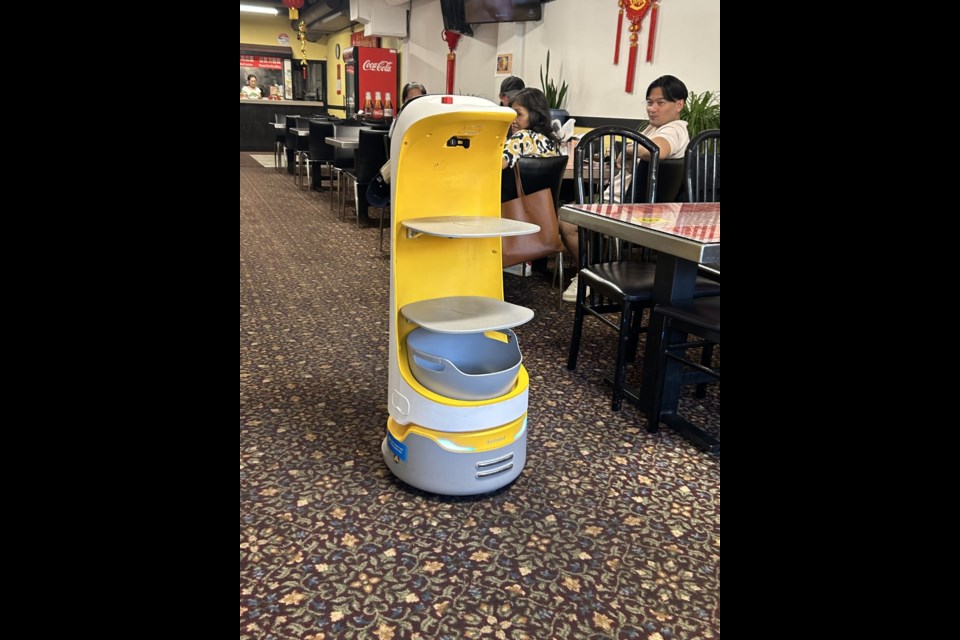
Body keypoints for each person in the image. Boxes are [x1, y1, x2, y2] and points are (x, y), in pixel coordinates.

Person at [560, 75, 690, 301]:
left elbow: (656, 150)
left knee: (567, 220)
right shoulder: (655, 128)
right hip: (624, 201)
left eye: (661, 103)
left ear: (679, 104)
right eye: (649, 102)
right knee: (573, 209)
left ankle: (589, 274)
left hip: (628, 209)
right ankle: (597, 268)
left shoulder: (674, 130)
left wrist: (628, 150)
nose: (652, 108)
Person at [369, 82, 430, 212]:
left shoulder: (429, 120)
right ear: (404, 101)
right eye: (411, 99)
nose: (415, 102)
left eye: (419, 98)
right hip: (404, 169)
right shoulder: (399, 120)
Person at [501, 87, 562, 170]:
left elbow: (498, 165)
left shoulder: (521, 137)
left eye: (518, 114)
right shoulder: (553, 143)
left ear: (535, 115)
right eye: (512, 114)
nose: (513, 120)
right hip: (546, 183)